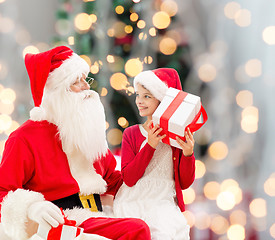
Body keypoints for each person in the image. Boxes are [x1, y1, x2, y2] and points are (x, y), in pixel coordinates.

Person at [0, 46, 151, 240]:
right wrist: (32, 207)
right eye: (76, 82)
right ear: (55, 91)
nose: (86, 87)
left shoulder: (86, 129)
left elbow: (111, 178)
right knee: (136, 229)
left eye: (84, 80)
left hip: (98, 214)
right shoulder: (24, 138)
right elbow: (3, 191)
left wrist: (148, 174)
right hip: (64, 221)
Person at [113, 68, 196, 240]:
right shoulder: (131, 133)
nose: (139, 101)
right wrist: (150, 145)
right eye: (138, 95)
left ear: (163, 101)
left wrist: (188, 154)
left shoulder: (177, 139)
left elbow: (185, 182)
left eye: (147, 96)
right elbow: (129, 178)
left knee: (168, 232)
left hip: (164, 202)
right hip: (134, 200)